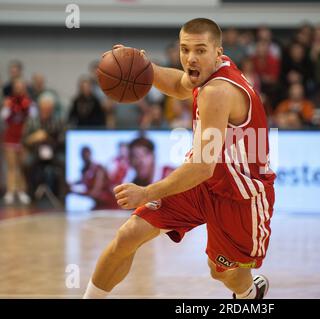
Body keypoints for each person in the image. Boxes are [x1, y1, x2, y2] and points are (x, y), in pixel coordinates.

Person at [83, 18, 276, 299]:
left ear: (217, 52)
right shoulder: (212, 70)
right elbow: (179, 84)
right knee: (128, 236)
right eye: (185, 50)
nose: (190, 58)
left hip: (240, 196)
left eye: (199, 50)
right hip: (202, 185)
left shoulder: (217, 91)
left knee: (221, 272)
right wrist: (141, 67)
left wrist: (146, 192)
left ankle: (249, 292)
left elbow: (200, 167)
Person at [1, 78, 35, 205]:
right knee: (11, 166)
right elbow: (4, 117)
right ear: (14, 88)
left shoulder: (29, 102)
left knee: (21, 166)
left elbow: (33, 119)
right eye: (17, 87)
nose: (19, 89)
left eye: (21, 86)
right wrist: (6, 107)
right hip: (10, 137)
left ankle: (21, 191)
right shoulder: (9, 101)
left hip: (23, 138)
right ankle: (10, 191)